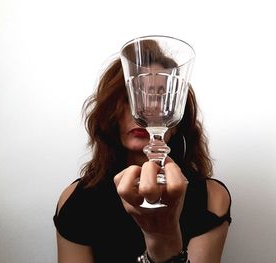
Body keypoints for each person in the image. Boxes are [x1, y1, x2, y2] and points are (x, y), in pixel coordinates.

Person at [53, 40, 232, 263]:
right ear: (112, 114)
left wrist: (163, 238)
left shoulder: (211, 198)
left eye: (161, 96)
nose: (148, 108)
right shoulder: (76, 201)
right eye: (132, 97)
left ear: (177, 123)